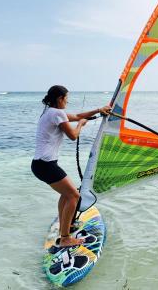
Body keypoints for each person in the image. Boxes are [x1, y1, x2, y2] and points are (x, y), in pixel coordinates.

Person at [31, 85, 111, 247]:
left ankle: (64, 227)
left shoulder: (50, 112)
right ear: (60, 98)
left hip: (41, 164)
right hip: (46, 165)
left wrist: (98, 110)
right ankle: (65, 238)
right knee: (74, 196)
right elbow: (73, 135)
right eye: (67, 98)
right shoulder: (57, 113)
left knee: (67, 194)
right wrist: (81, 124)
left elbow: (77, 115)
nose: (67, 101)